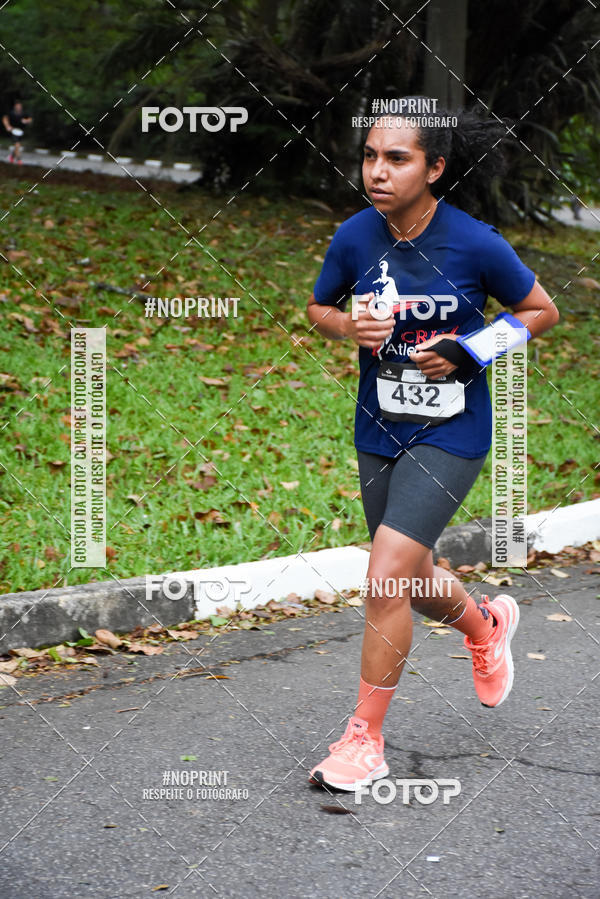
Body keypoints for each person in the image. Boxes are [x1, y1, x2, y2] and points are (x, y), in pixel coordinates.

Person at [306, 102, 559, 792]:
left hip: (452, 432)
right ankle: (484, 625)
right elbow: (319, 306)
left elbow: (541, 310)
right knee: (411, 579)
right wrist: (347, 324)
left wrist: (472, 348)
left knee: (386, 574)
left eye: (397, 158)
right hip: (378, 427)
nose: (377, 171)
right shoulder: (356, 236)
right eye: (369, 157)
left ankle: (364, 740)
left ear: (435, 167)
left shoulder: (474, 243)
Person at [3, 100, 32, 164]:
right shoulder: (11, 113)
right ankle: (19, 160)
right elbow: (5, 118)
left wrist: (26, 121)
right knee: (17, 144)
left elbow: (30, 119)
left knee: (17, 146)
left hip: (20, 132)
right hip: (13, 131)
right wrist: (7, 126)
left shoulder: (23, 113)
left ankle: (11, 157)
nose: (19, 107)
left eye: (20, 106)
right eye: (17, 106)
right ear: (15, 106)